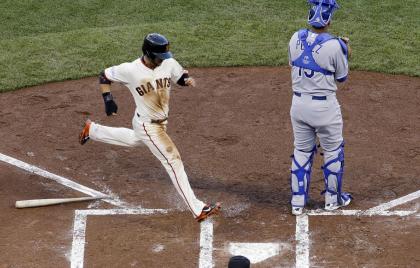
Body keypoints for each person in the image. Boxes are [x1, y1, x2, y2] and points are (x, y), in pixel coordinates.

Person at [78, 33, 221, 222]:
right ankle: (198, 209)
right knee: (173, 160)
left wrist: (186, 81)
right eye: (158, 58)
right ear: (147, 53)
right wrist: (108, 99)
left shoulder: (167, 63)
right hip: (148, 125)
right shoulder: (130, 70)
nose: (162, 61)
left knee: (134, 140)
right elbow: (104, 76)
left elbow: (179, 76)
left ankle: (93, 130)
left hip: (158, 123)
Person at [287, 0, 352, 215]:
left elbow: (294, 64)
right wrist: (346, 51)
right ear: (329, 20)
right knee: (333, 150)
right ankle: (333, 200)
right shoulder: (335, 45)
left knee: (302, 150)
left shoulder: (295, 38)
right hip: (324, 109)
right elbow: (342, 78)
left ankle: (297, 202)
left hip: (298, 106)